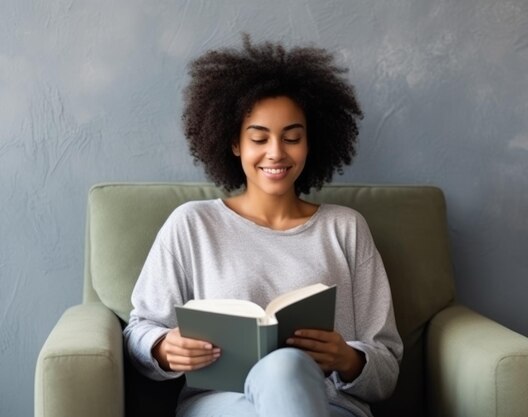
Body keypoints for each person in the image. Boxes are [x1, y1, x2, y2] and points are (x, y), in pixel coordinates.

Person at [123, 34, 403, 417]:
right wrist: (162, 347)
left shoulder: (345, 229)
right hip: (222, 405)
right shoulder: (193, 225)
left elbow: (386, 368)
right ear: (235, 143)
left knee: (286, 368)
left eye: (292, 138)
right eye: (259, 138)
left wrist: (347, 357)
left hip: (327, 405)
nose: (276, 152)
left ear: (310, 144)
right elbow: (140, 330)